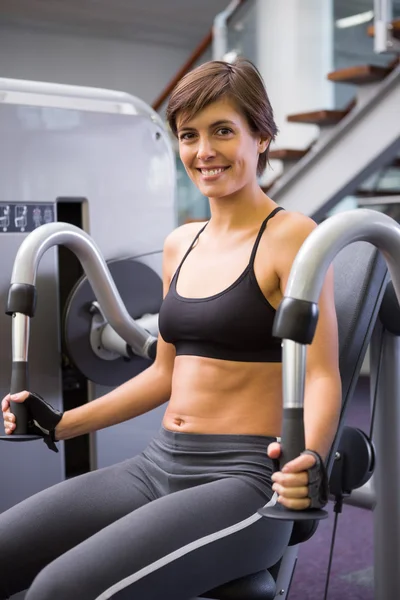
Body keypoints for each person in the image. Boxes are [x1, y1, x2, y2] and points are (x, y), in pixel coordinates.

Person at [0, 59, 341, 600]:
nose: (203, 151)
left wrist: (313, 460)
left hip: (247, 478)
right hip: (158, 463)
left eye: (223, 131)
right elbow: (164, 373)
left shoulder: (293, 237)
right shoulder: (181, 243)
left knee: (57, 591)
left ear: (262, 137)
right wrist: (60, 423)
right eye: (189, 135)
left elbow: (323, 375)